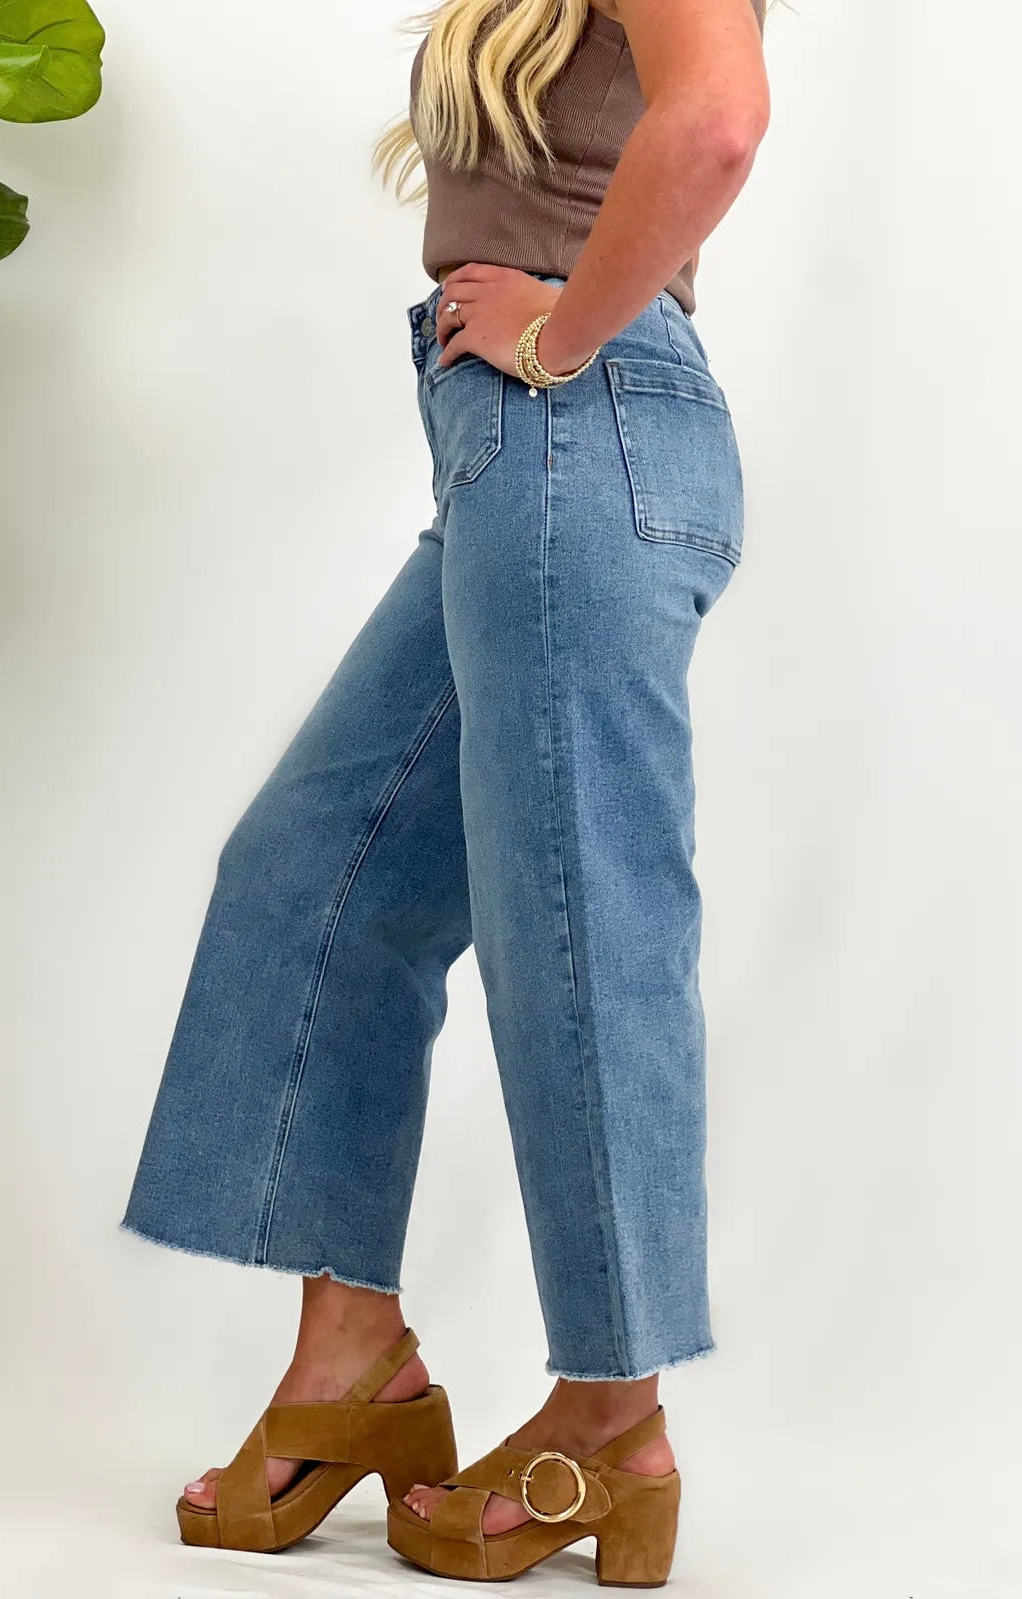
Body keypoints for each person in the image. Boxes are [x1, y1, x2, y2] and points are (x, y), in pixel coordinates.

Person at [120, 0, 771, 1584]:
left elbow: (714, 122)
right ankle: (356, 1364)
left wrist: (557, 335)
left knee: (579, 925)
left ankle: (612, 1424)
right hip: (519, 457)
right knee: (313, 874)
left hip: (577, 426)